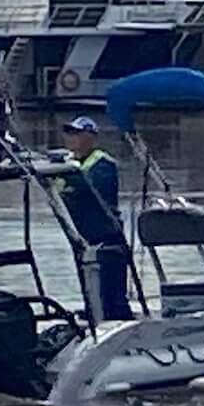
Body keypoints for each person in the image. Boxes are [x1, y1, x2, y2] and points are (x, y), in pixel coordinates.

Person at [57, 116, 133, 321]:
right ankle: (92, 316)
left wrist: (66, 173)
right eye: (69, 132)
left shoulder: (103, 164)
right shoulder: (66, 164)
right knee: (90, 292)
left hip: (107, 239)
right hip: (83, 239)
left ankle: (121, 325)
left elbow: (88, 187)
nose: (71, 137)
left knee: (112, 297)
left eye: (77, 133)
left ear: (91, 137)